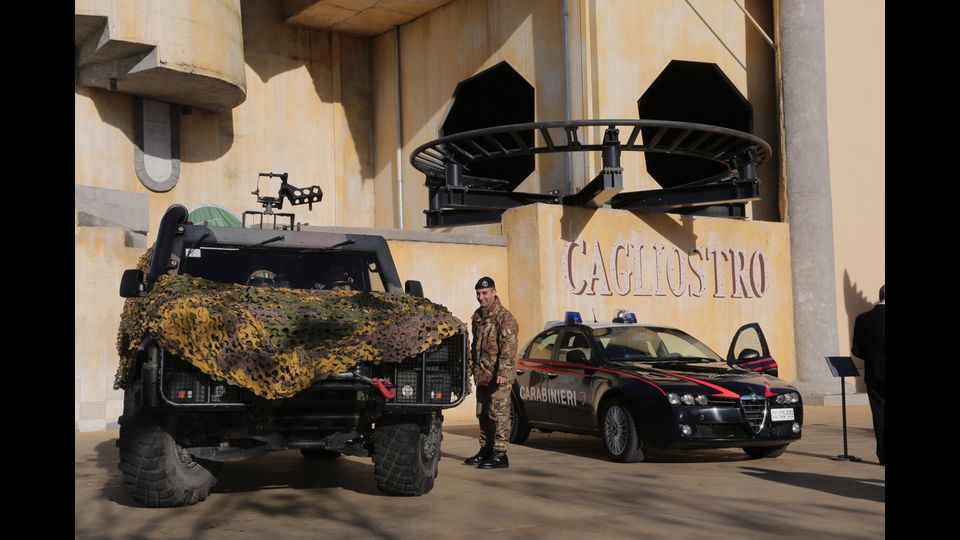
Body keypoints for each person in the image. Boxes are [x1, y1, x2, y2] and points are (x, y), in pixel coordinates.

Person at [464, 276, 519, 469]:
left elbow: (509, 347)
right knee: (483, 414)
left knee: (500, 413)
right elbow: (474, 347)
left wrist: (503, 371)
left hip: (499, 376)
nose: (481, 297)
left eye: (485, 293)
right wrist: (471, 369)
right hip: (483, 374)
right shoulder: (478, 317)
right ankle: (486, 450)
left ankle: (500, 453)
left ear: (494, 292)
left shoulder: (504, 317)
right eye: (478, 294)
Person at [852, 284, 885, 465]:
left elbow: (856, 350)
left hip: (874, 374)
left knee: (879, 414)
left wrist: (873, 358)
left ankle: (883, 454)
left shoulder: (862, 319)